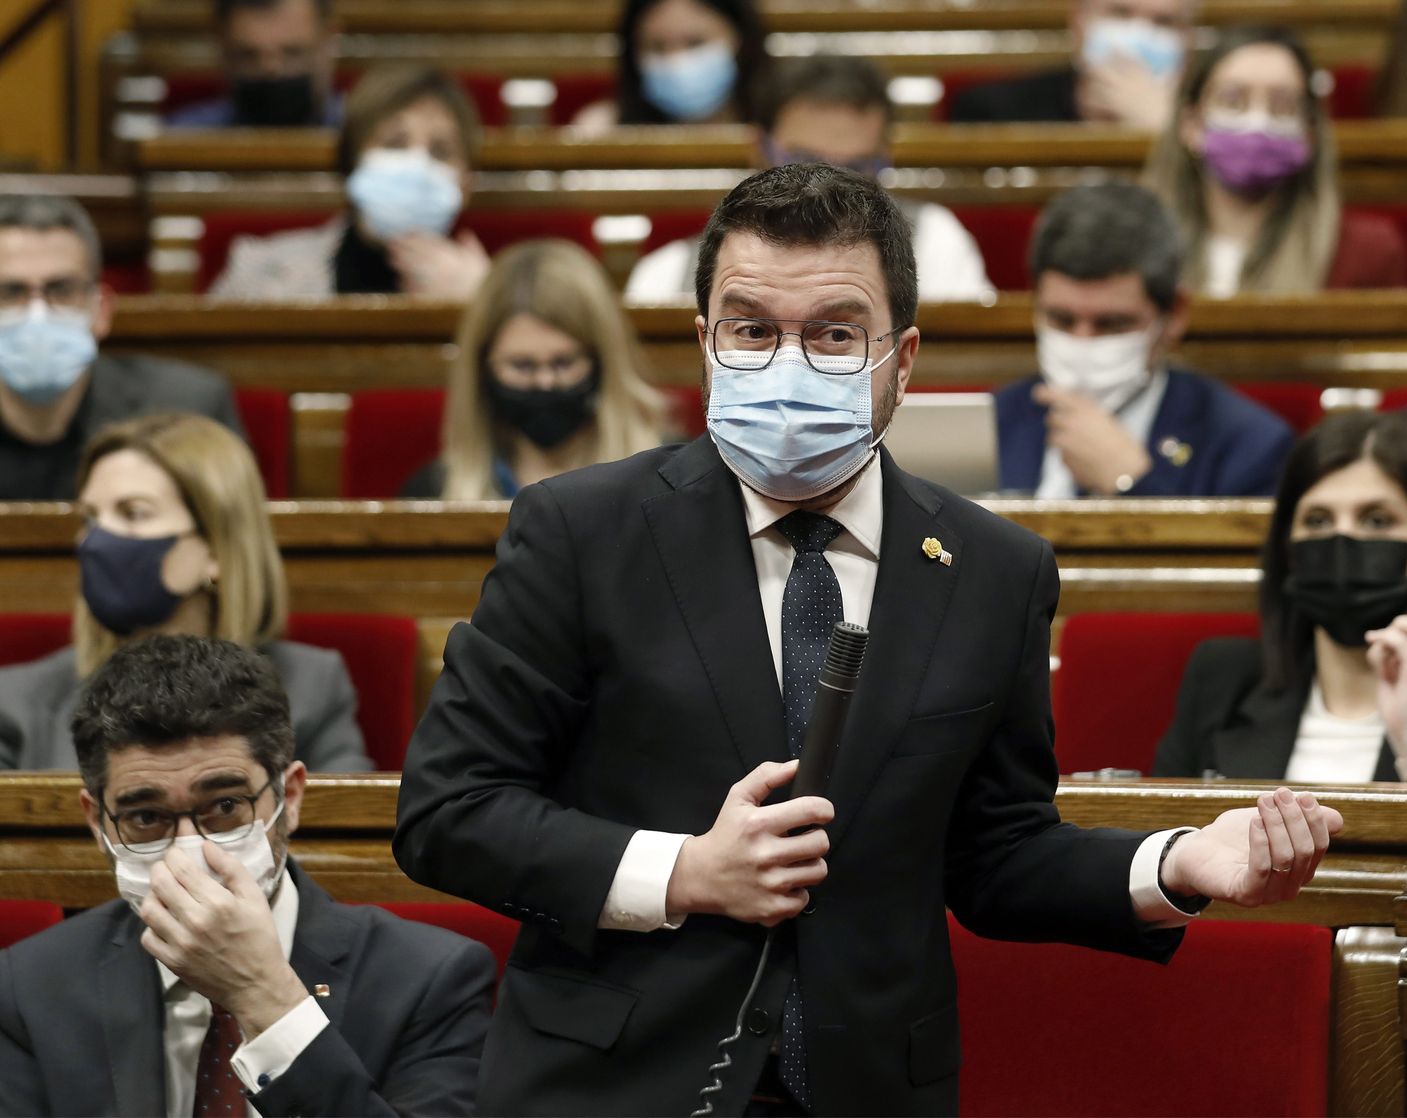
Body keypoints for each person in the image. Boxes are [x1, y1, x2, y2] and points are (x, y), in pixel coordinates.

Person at [392, 162, 1343, 1116]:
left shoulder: (995, 570)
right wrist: (685, 872)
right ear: (706, 344)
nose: (788, 364)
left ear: (903, 359)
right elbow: (451, 811)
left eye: (834, 334)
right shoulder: (581, 532)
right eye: (752, 330)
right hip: (612, 1083)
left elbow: (997, 852)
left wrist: (1177, 864)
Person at [0, 634, 494, 1115]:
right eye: (146, 817)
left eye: (225, 806)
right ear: (97, 822)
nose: (189, 855)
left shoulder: (427, 980)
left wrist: (263, 996)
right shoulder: (29, 988)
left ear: (289, 797)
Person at [1154, 410, 1407, 785]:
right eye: (1318, 520)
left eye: (1376, 520)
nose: (1342, 542)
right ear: (1289, 549)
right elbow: (1165, 827)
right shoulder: (1220, 677)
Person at [0, 413, 372, 771]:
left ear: (215, 549)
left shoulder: (311, 687)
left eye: (134, 513)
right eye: (91, 518)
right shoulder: (16, 700)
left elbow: (344, 811)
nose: (97, 540)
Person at [994, 179, 1293, 496]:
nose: (1082, 341)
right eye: (1062, 320)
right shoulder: (994, 421)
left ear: (1174, 316)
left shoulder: (1248, 446)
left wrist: (1131, 484)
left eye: (1112, 324)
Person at [626, 54, 994, 302]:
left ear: (885, 158)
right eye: (805, 163)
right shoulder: (665, 277)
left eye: (855, 168)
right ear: (759, 151)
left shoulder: (934, 243)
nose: (828, 188)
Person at [0, 195, 240, 502]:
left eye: (62, 290)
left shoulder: (189, 409)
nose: (37, 313)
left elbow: (230, 528)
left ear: (101, 310)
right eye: (10, 292)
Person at [1144, 26, 1407, 296]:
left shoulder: (1366, 252)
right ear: (1191, 125)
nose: (1257, 122)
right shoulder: (1139, 247)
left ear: (1309, 134)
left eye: (1282, 106)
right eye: (1233, 102)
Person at [403, 239, 665, 499]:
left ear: (603, 361)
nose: (545, 382)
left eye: (564, 362)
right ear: (483, 367)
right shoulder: (433, 492)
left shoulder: (669, 479)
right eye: (522, 365)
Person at [209, 65, 488, 300]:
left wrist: (476, 305)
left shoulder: (488, 294)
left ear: (466, 184)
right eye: (394, 143)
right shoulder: (260, 274)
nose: (417, 164)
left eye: (440, 151)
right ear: (353, 160)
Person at [949, 0, 1196, 129]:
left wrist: (1167, 131)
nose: (1140, 33)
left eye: (1164, 22)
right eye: (1120, 13)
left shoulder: (1199, 124)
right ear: (1079, 21)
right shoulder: (995, 113)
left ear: (1187, 38)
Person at [570, 0, 768, 134]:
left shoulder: (779, 128)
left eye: (695, 42)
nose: (676, 61)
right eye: (657, 47)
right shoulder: (601, 131)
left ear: (739, 38)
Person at [167, 0, 344, 129]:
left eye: (292, 52)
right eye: (249, 56)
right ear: (222, 45)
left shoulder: (359, 140)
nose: (271, 69)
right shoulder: (180, 141)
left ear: (329, 40)